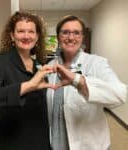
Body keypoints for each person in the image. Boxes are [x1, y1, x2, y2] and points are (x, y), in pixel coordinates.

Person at [46, 15, 127, 150]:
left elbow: (120, 94)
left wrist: (78, 81)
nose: (71, 38)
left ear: (82, 37)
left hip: (88, 145)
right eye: (65, 32)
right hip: (56, 142)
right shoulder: (51, 66)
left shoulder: (96, 63)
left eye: (76, 33)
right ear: (58, 37)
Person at [0, 11, 55, 150]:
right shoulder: (1, 61)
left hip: (38, 138)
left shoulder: (38, 64)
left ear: (37, 36)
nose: (26, 36)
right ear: (12, 35)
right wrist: (29, 85)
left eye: (31, 32)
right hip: (10, 140)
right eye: (21, 31)